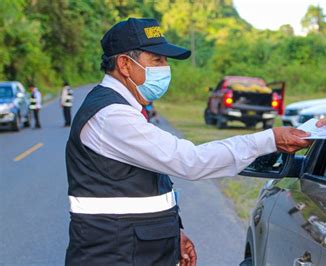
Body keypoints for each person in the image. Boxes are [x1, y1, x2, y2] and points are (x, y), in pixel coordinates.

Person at [65, 18, 311, 266]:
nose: (165, 68)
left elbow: (142, 184)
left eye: (166, 61)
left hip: (133, 251)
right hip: (113, 256)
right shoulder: (112, 116)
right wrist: (269, 140)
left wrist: (173, 233)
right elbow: (189, 161)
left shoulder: (126, 109)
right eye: (157, 61)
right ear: (125, 64)